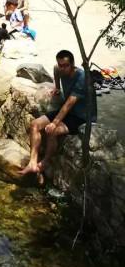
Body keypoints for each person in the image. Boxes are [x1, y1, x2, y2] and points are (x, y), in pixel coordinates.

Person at [20, 50, 97, 181]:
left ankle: (45, 162)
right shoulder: (58, 68)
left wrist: (54, 122)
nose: (62, 68)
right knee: (34, 124)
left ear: (72, 64)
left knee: (52, 131)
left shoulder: (82, 78)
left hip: (82, 116)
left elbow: (69, 103)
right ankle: (32, 162)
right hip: (68, 111)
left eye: (65, 65)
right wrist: (57, 87)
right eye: (60, 64)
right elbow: (55, 70)